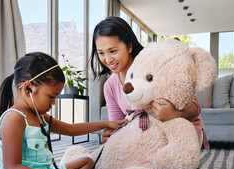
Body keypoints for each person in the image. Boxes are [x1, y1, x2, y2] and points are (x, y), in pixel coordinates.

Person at [0, 52, 125, 169]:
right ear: (28, 89)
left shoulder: (39, 116)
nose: (53, 103)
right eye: (51, 96)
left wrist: (106, 123)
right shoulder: (14, 119)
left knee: (87, 161)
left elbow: (71, 129)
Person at [89, 17, 210, 150]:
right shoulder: (110, 86)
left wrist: (175, 114)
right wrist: (113, 134)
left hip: (181, 133)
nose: (107, 59)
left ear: (129, 46)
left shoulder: (154, 65)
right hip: (148, 136)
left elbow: (196, 106)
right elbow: (119, 124)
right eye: (101, 53)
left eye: (113, 51)